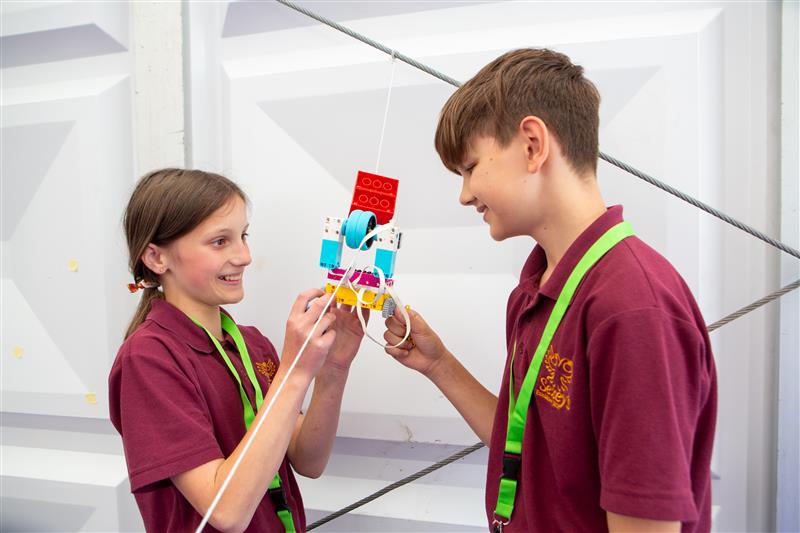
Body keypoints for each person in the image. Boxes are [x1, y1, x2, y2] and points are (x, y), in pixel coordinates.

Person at [383, 48, 717, 533]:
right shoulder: (534, 290)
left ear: (533, 145)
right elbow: (531, 447)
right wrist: (440, 366)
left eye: (471, 167)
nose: (464, 194)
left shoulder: (632, 308)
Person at [109, 168, 366, 533]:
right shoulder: (148, 359)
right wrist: (294, 372)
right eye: (220, 242)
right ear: (156, 258)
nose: (244, 256)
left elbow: (308, 460)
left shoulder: (251, 344)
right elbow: (226, 512)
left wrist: (334, 368)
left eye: (243, 236)